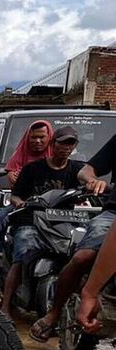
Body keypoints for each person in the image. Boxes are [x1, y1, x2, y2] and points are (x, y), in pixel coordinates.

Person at [34, 133, 116, 338]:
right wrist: (92, 181)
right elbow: (86, 171)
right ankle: (54, 313)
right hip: (112, 213)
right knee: (83, 257)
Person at [1, 126, 83, 317]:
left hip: (63, 223)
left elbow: (88, 178)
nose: (66, 147)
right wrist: (21, 203)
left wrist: (94, 185)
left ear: (75, 146)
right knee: (22, 256)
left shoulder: (77, 169)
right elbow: (15, 196)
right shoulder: (33, 169)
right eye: (62, 142)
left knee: (80, 255)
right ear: (53, 144)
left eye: (70, 143)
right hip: (31, 221)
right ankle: (5, 306)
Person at [0, 120, 53, 286]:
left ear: (49, 138)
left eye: (41, 137)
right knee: (0, 217)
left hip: (53, 207)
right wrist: (12, 179)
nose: (37, 141)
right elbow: (13, 183)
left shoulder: (56, 158)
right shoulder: (21, 155)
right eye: (34, 137)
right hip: (23, 204)